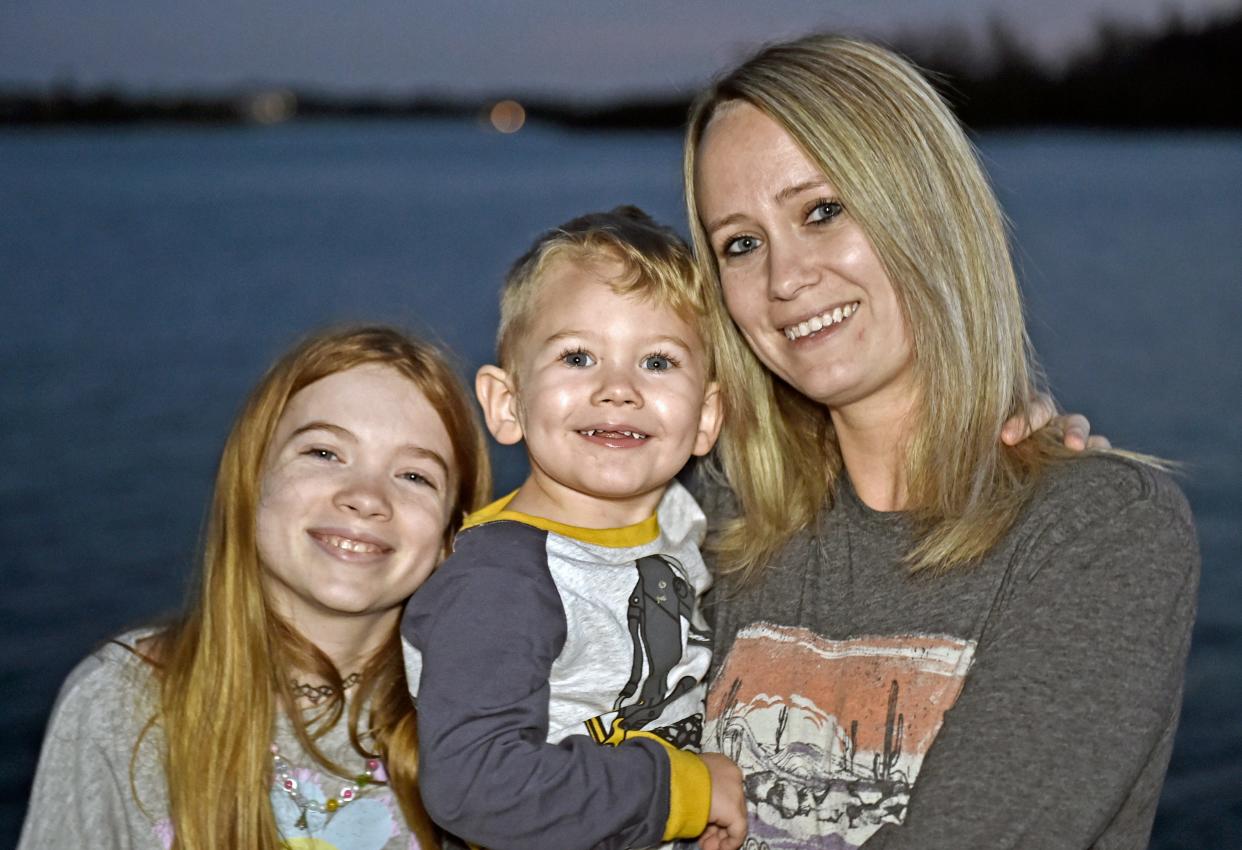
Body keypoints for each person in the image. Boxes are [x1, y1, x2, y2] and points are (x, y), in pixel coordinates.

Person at [680, 35, 1199, 849]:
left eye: (822, 211)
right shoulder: (707, 522)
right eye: (740, 244)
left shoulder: (1100, 532)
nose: (784, 280)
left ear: (923, 206)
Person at [18, 326, 491, 850]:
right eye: (324, 453)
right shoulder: (123, 704)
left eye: (414, 476)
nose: (365, 497)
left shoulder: (492, 722)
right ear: (252, 479)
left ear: (454, 534)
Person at [401, 207, 748, 850]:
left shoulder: (678, 517)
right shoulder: (500, 582)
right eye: (579, 355)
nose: (618, 388)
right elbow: (474, 784)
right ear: (509, 405)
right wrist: (684, 791)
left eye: (658, 362)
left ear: (705, 418)